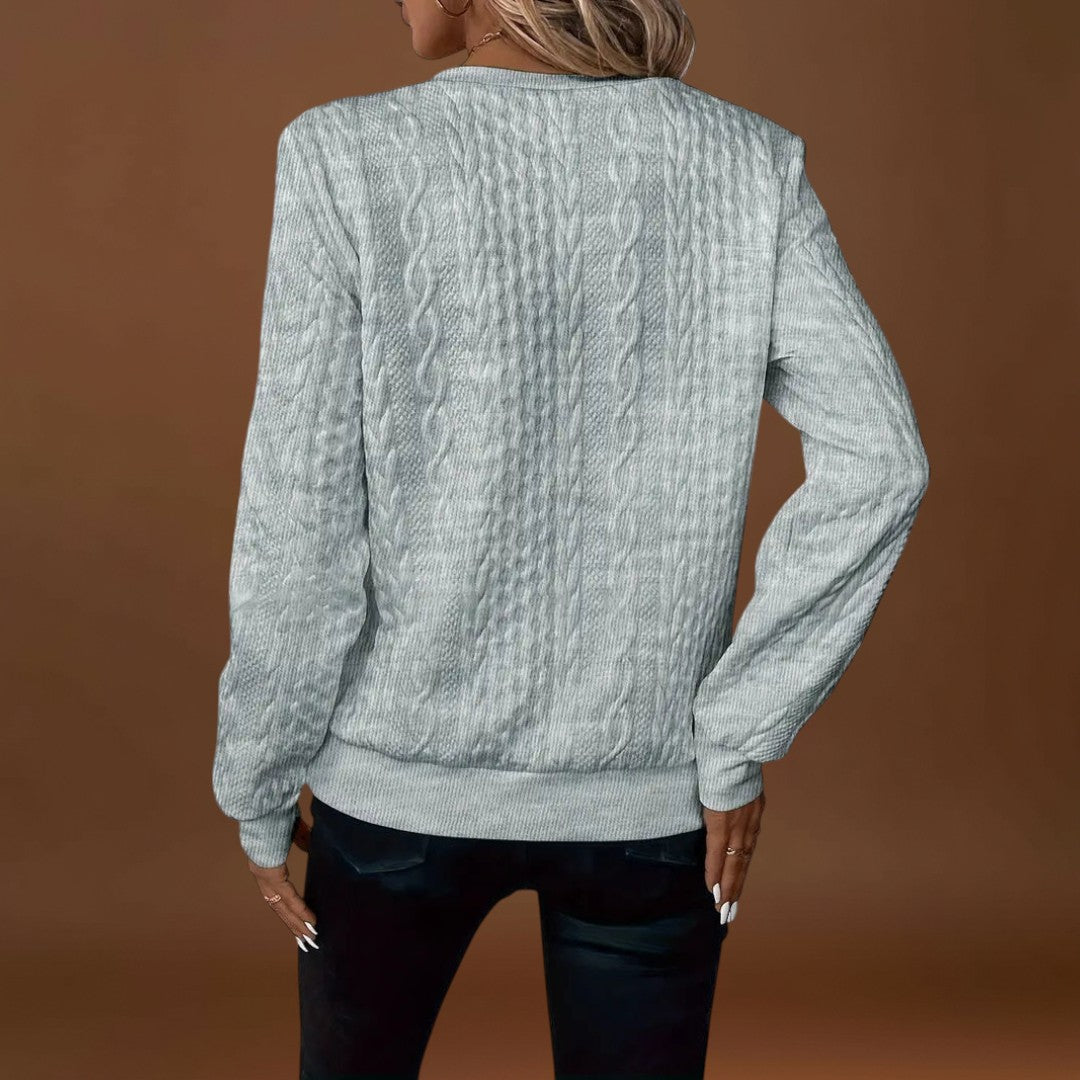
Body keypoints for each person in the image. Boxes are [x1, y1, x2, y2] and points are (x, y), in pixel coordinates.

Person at [210, 1, 931, 1077]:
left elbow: (300, 503)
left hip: (396, 801)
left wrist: (259, 779)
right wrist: (735, 733)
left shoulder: (343, 151)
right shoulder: (748, 160)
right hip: (652, 808)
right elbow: (885, 461)